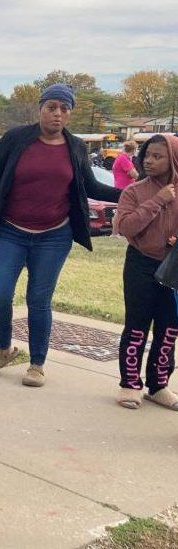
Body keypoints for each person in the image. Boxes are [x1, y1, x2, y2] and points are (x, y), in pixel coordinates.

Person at [0, 83, 121, 387]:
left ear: (70, 114)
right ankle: (4, 349)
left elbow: (91, 187)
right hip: (10, 231)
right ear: (40, 108)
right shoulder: (16, 139)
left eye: (64, 109)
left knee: (39, 299)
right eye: (52, 107)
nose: (57, 113)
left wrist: (131, 193)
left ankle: (37, 364)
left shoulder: (76, 147)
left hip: (54, 236)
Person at [114, 134, 178, 409]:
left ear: (173, 159)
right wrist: (158, 201)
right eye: (147, 155)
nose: (149, 161)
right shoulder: (134, 191)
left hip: (173, 267)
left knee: (168, 329)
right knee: (137, 326)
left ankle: (158, 384)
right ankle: (130, 384)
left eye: (157, 156)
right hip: (141, 263)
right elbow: (126, 227)